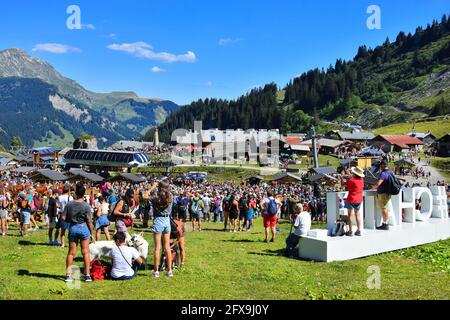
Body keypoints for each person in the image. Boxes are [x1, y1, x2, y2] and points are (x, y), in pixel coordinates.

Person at [62, 183, 95, 283]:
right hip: (84, 228)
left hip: (73, 228)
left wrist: (70, 220)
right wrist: (91, 232)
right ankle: (88, 275)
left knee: (71, 253)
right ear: (84, 194)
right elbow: (89, 220)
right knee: (85, 252)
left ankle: (68, 275)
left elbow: (63, 218)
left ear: (76, 193)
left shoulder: (69, 204)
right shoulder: (86, 205)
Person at [150, 180, 174, 278]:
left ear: (159, 188)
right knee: (167, 247)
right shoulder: (170, 198)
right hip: (167, 220)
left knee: (157, 248)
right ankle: (169, 271)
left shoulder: (156, 198)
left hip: (158, 220)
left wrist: (153, 187)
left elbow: (144, 196)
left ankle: (156, 272)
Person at [371, 160, 395, 231]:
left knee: (384, 209)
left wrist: (372, 188)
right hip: (388, 192)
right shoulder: (391, 172)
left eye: (380, 166)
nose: (380, 168)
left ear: (382, 166)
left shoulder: (383, 174)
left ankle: (385, 224)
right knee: (385, 208)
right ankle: (385, 223)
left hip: (383, 193)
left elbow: (378, 183)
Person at [341, 167, 365, 237]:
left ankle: (350, 231)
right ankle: (359, 230)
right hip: (359, 199)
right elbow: (354, 179)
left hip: (351, 199)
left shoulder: (351, 180)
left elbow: (343, 185)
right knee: (357, 214)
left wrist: (342, 177)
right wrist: (350, 176)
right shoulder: (361, 180)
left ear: (354, 173)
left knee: (350, 215)